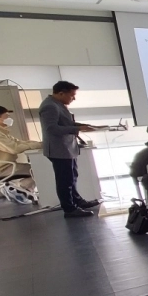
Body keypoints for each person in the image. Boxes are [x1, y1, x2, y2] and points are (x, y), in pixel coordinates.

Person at [38, 81, 99, 218]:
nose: (73, 98)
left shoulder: (58, 104)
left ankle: (77, 201)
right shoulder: (49, 106)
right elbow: (52, 128)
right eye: (72, 95)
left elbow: (66, 123)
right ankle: (69, 209)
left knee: (72, 177)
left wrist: (83, 125)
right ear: (61, 93)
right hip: (58, 149)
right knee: (65, 181)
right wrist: (77, 129)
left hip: (67, 148)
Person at [0, 105, 41, 187]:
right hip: (0, 169)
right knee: (38, 169)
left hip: (3, 166)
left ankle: (21, 189)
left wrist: (38, 144)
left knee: (37, 168)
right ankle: (21, 190)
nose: (10, 119)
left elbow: (17, 142)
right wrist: (38, 145)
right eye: (7, 116)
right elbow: (15, 148)